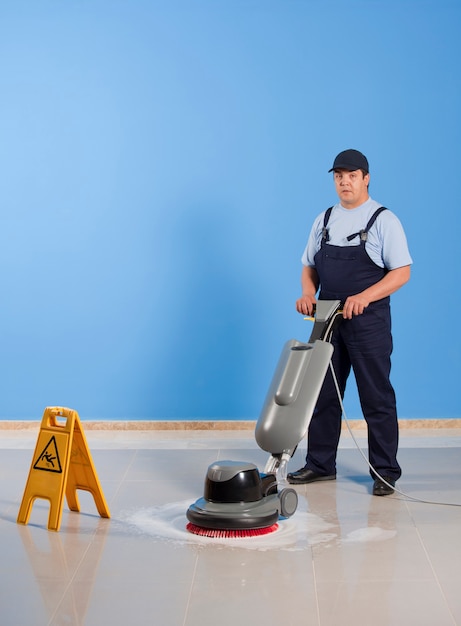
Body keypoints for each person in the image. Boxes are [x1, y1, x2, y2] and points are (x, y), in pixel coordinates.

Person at [287, 149, 412, 496]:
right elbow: (308, 265)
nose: (344, 181)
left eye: (352, 175)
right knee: (323, 394)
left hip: (367, 323)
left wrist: (365, 297)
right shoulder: (324, 218)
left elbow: (402, 271)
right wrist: (307, 293)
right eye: (339, 175)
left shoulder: (384, 220)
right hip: (326, 319)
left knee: (377, 398)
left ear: (366, 178)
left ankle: (385, 472)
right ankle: (319, 464)